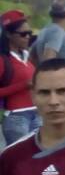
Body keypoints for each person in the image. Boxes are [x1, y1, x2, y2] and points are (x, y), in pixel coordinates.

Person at [0, 10, 39, 143]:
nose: (27, 37)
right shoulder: (3, 60)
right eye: (23, 34)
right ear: (8, 34)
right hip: (16, 118)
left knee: (41, 159)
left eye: (29, 33)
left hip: (37, 114)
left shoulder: (27, 57)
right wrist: (24, 85)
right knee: (20, 161)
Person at [30, 0, 65, 64]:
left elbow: (32, 56)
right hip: (58, 74)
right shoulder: (56, 31)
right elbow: (48, 60)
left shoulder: (44, 30)